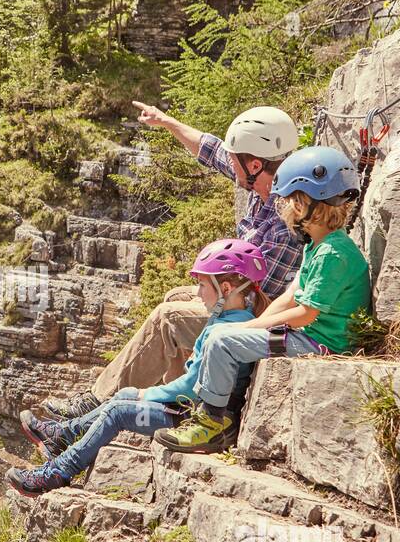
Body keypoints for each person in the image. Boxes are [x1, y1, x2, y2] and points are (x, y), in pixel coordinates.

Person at [40, 102, 304, 421]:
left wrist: (208, 289)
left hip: (262, 311)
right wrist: (168, 122)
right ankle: (179, 398)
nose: (230, 164)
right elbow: (212, 149)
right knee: (174, 298)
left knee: (169, 317)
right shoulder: (262, 184)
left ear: (256, 164)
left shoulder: (284, 221)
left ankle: (96, 402)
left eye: (236, 160)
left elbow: (254, 295)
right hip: (244, 294)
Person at [6, 239, 269, 496]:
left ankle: (59, 471)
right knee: (122, 396)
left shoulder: (225, 330)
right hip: (191, 410)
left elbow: (191, 385)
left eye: (202, 285)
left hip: (194, 419)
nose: (197, 293)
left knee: (120, 411)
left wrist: (148, 394)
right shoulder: (231, 319)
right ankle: (65, 434)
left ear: (225, 289)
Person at [154, 146, 372, 453]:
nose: (281, 207)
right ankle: (226, 416)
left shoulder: (332, 254)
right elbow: (289, 296)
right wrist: (254, 325)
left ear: (303, 203)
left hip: (322, 344)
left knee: (222, 341)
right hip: (312, 337)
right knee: (223, 333)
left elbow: (305, 314)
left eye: (286, 200)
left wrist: (249, 327)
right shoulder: (318, 245)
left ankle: (210, 425)